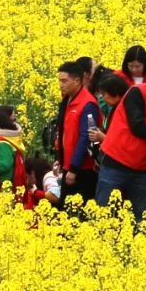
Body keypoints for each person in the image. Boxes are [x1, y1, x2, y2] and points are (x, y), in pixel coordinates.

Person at [95, 76, 146, 221]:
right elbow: (137, 127)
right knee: (106, 213)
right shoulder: (138, 93)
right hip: (116, 161)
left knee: (141, 217)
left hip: (142, 167)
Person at [54, 60, 102, 202]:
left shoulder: (87, 104)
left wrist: (73, 169)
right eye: (59, 81)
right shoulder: (67, 100)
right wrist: (60, 159)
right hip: (68, 166)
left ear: (77, 81)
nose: (61, 84)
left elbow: (85, 137)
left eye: (64, 81)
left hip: (82, 170)